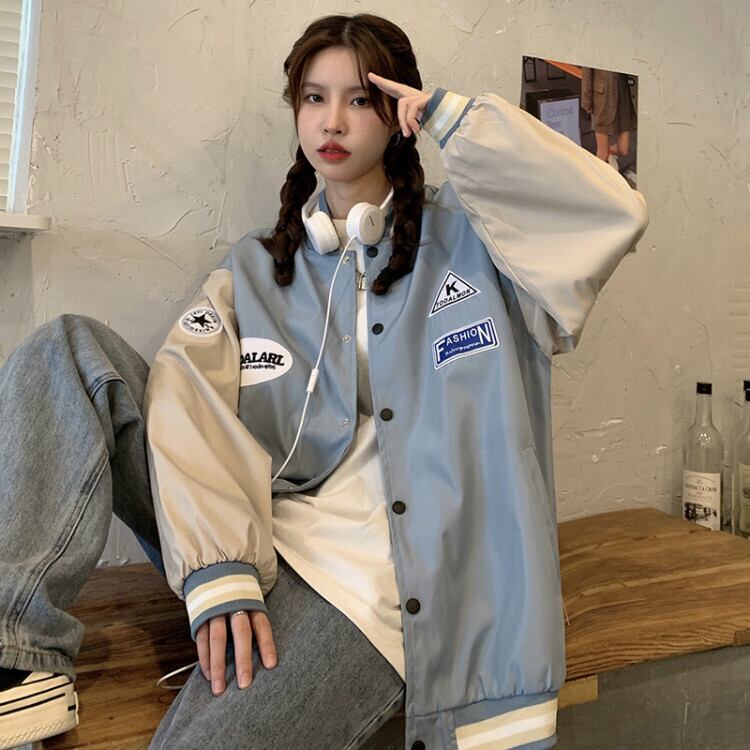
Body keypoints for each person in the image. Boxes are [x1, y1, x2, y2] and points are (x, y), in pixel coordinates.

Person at [0, 12, 648, 750]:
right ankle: (16, 659)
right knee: (68, 350)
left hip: (370, 585)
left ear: (397, 114)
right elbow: (185, 397)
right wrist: (222, 566)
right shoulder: (257, 268)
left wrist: (453, 120)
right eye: (314, 97)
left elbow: (611, 213)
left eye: (359, 99)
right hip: (252, 534)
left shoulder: (483, 248)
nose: (331, 121)